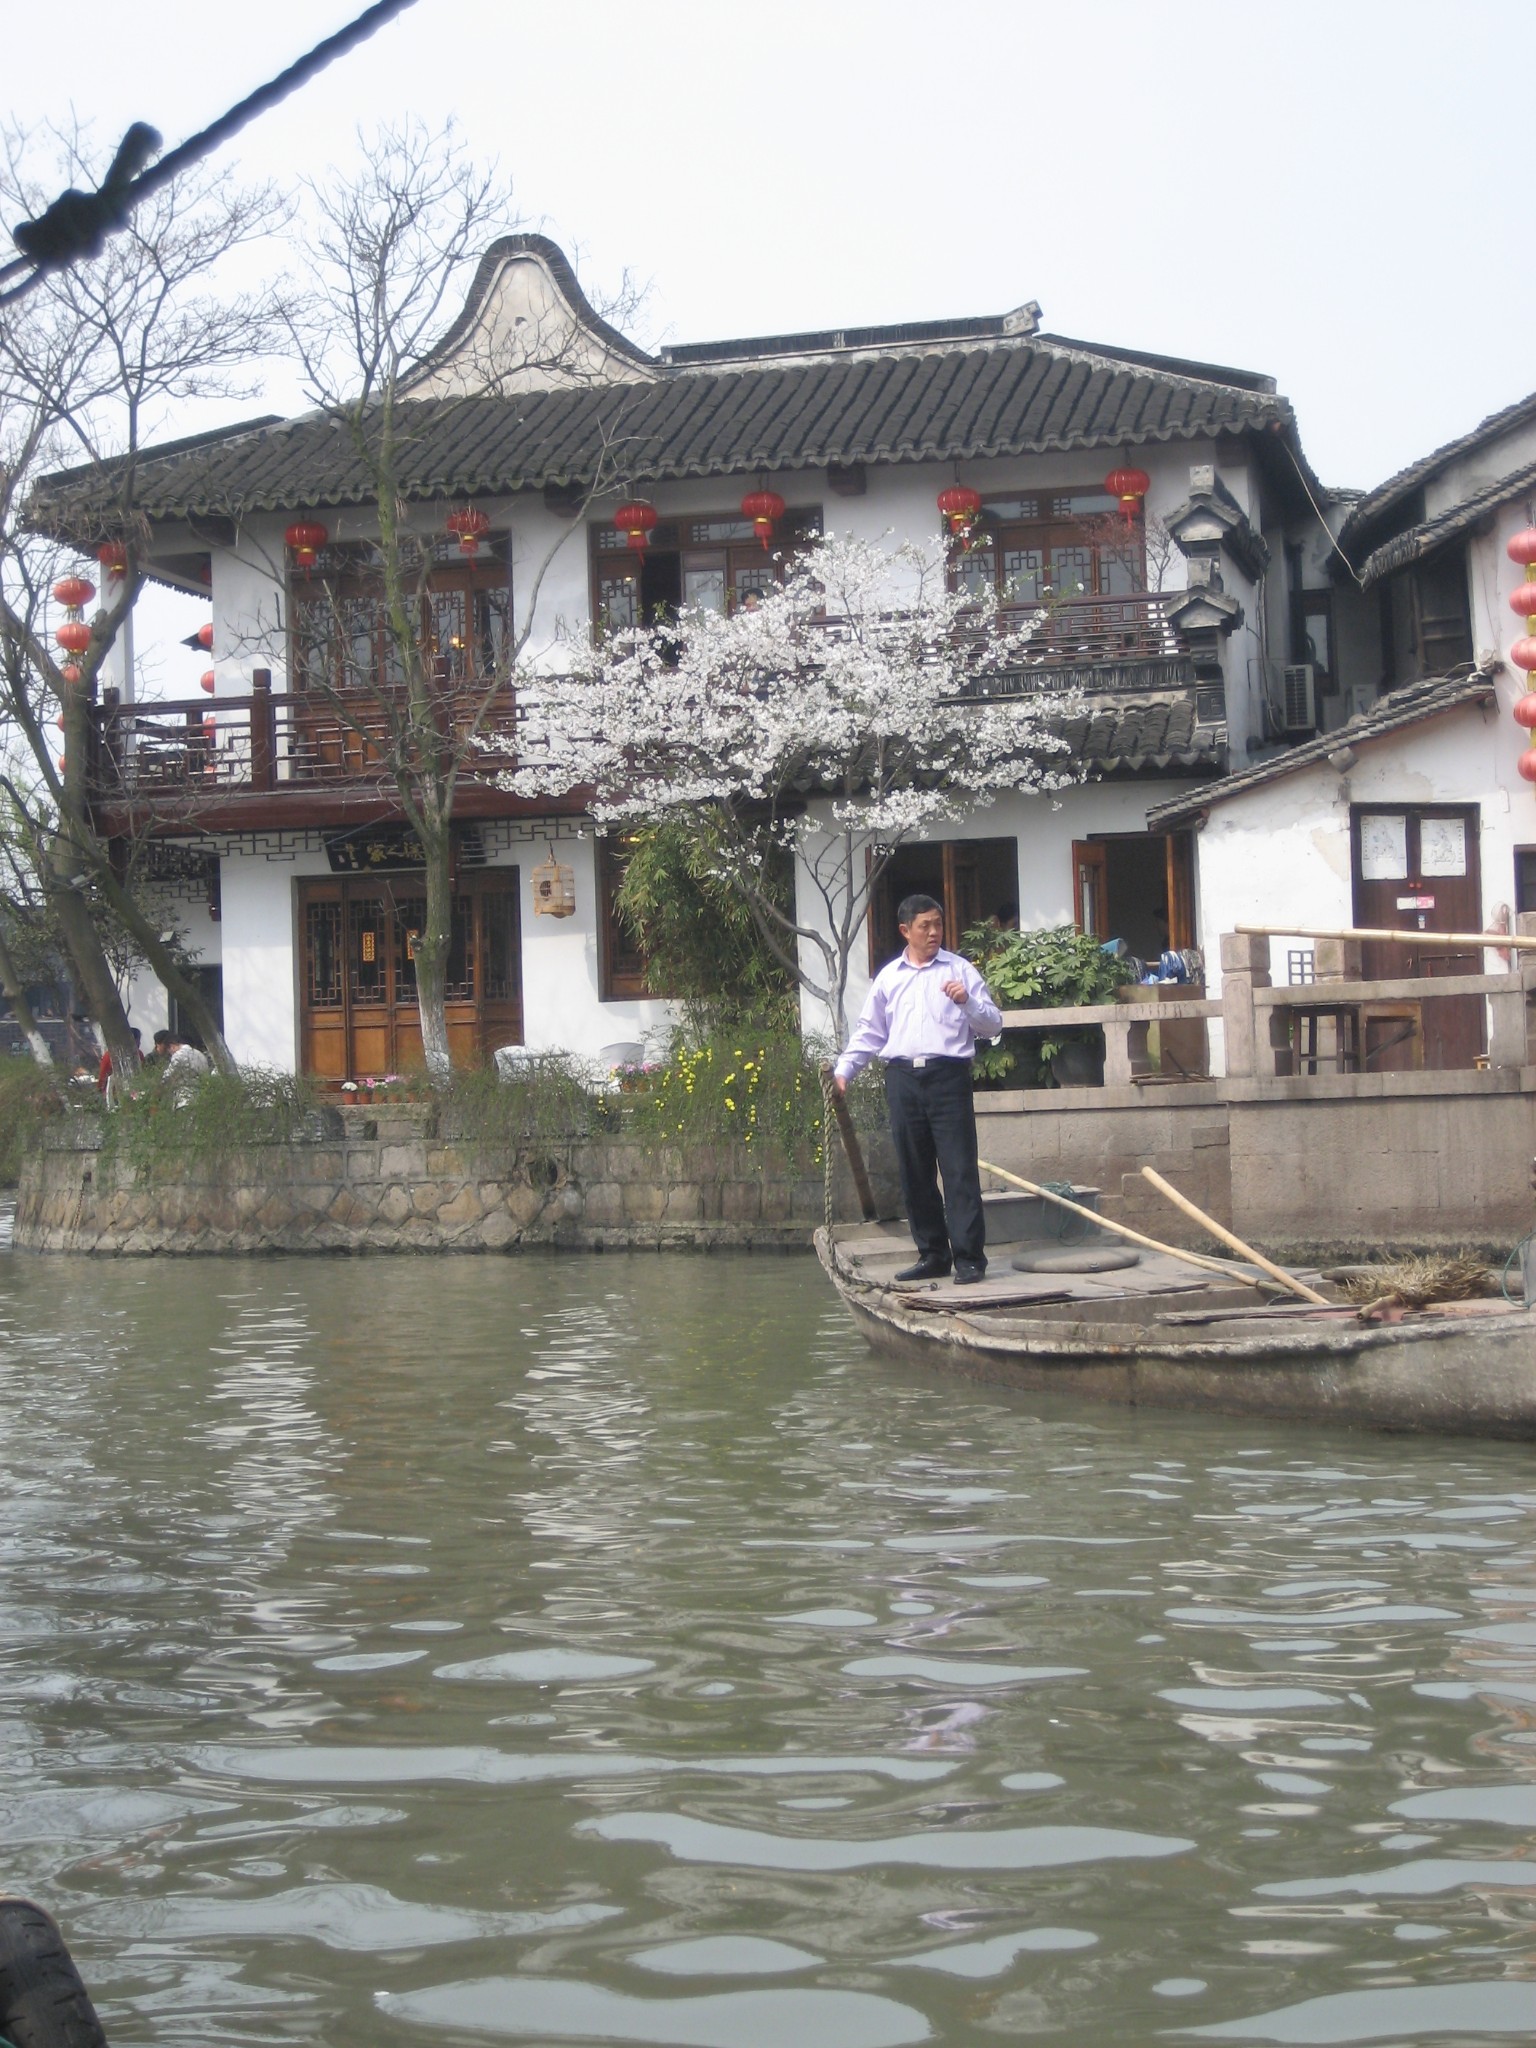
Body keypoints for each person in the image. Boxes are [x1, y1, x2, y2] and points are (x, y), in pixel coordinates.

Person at [833, 893, 1002, 1283]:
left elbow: (993, 1024)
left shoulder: (960, 971)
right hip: (903, 1079)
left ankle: (970, 1259)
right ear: (905, 931)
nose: (933, 932)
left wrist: (967, 1004)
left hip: (949, 1077)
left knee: (959, 1170)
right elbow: (869, 1033)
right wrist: (845, 1072)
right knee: (915, 1171)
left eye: (938, 924)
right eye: (924, 926)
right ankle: (932, 1254)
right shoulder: (889, 978)